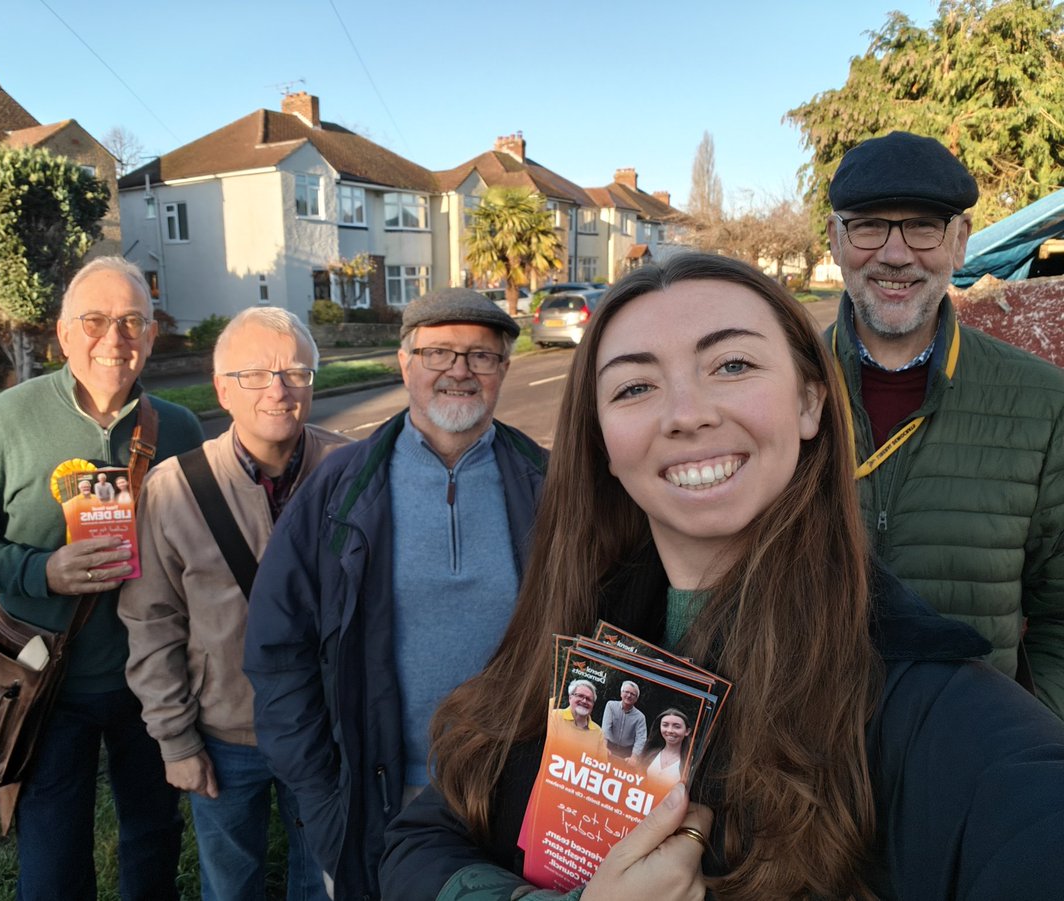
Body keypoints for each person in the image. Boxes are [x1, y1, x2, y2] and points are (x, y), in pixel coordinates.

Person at [380, 254, 1064, 901]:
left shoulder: (942, 715)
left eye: (732, 364)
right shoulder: (572, 653)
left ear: (810, 402)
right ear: (602, 441)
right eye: (635, 386)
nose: (687, 414)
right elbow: (419, 843)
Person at [243, 287, 549, 899]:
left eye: (481, 356)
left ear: (503, 370)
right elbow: (278, 649)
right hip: (380, 794)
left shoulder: (549, 482)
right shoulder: (339, 487)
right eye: (438, 353)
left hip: (516, 790)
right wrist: (321, 794)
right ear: (404, 364)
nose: (459, 371)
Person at [0, 256, 204, 901]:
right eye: (95, 320)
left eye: (133, 321)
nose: (115, 338)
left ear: (150, 335)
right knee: (53, 862)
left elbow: (202, 553)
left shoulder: (179, 428)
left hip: (151, 683)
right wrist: (44, 571)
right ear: (63, 333)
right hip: (44, 684)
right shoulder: (12, 416)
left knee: (154, 839)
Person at [824, 131, 1064, 716]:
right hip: (801, 757)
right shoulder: (772, 389)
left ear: (959, 242)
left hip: (972, 755)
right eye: (869, 225)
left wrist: (1032, 741)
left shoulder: (1042, 401)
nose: (895, 254)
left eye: (923, 226)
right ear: (835, 240)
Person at [120, 307, 349, 901]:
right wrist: (176, 742)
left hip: (326, 728)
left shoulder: (352, 471)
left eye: (295, 372)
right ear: (223, 390)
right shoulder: (174, 489)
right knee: (229, 885)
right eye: (254, 375)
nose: (278, 390)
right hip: (224, 735)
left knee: (325, 880)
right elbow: (151, 622)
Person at [638, 709, 691, 783]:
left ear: (687, 731)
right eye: (665, 725)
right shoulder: (648, 753)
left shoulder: (690, 763)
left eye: (677, 726)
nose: (670, 730)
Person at [601, 680, 647, 760]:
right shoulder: (611, 705)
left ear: (636, 699)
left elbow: (641, 739)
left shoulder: (640, 717)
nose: (629, 695)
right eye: (626, 692)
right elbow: (606, 728)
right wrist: (603, 747)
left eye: (632, 694)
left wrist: (634, 757)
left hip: (626, 752)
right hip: (609, 745)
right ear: (621, 693)